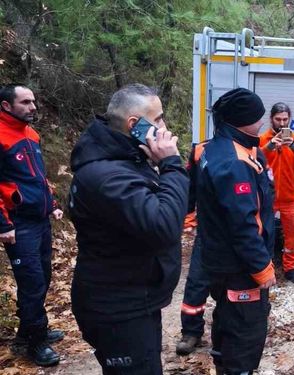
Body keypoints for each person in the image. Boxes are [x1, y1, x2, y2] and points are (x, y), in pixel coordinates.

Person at [69, 83, 189, 374]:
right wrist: (172, 164)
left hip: (136, 297)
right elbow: (163, 226)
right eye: (159, 118)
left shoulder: (126, 157)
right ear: (134, 124)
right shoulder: (106, 175)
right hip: (118, 309)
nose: (165, 126)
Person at [196, 88, 275, 375]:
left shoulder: (217, 147)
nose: (262, 123)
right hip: (239, 267)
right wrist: (262, 268)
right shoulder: (234, 162)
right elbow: (243, 223)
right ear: (242, 121)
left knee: (228, 318)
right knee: (246, 331)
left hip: (219, 260)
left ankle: (223, 363)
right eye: (258, 117)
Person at [0, 84, 64, 366]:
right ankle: (35, 343)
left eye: (34, 101)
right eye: (25, 102)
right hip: (18, 223)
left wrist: (52, 204)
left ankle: (29, 332)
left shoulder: (31, 134)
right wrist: (3, 224)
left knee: (43, 278)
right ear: (6, 106)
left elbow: (37, 177)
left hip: (41, 220)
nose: (33, 107)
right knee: (32, 283)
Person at [259, 102, 294, 285]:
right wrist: (270, 147)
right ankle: (265, 268)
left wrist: (293, 146)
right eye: (278, 119)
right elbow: (253, 160)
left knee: (292, 235)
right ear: (271, 119)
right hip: (267, 198)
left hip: (290, 197)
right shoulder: (263, 139)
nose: (281, 123)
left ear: (290, 119)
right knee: (264, 233)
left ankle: (290, 269)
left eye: (285, 119)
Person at [176, 141, 211, 356]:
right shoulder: (200, 151)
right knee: (197, 282)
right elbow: (191, 188)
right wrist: (188, 219)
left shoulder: (251, 149)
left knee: (233, 287)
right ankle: (191, 332)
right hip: (208, 232)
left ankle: (229, 335)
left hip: (237, 232)